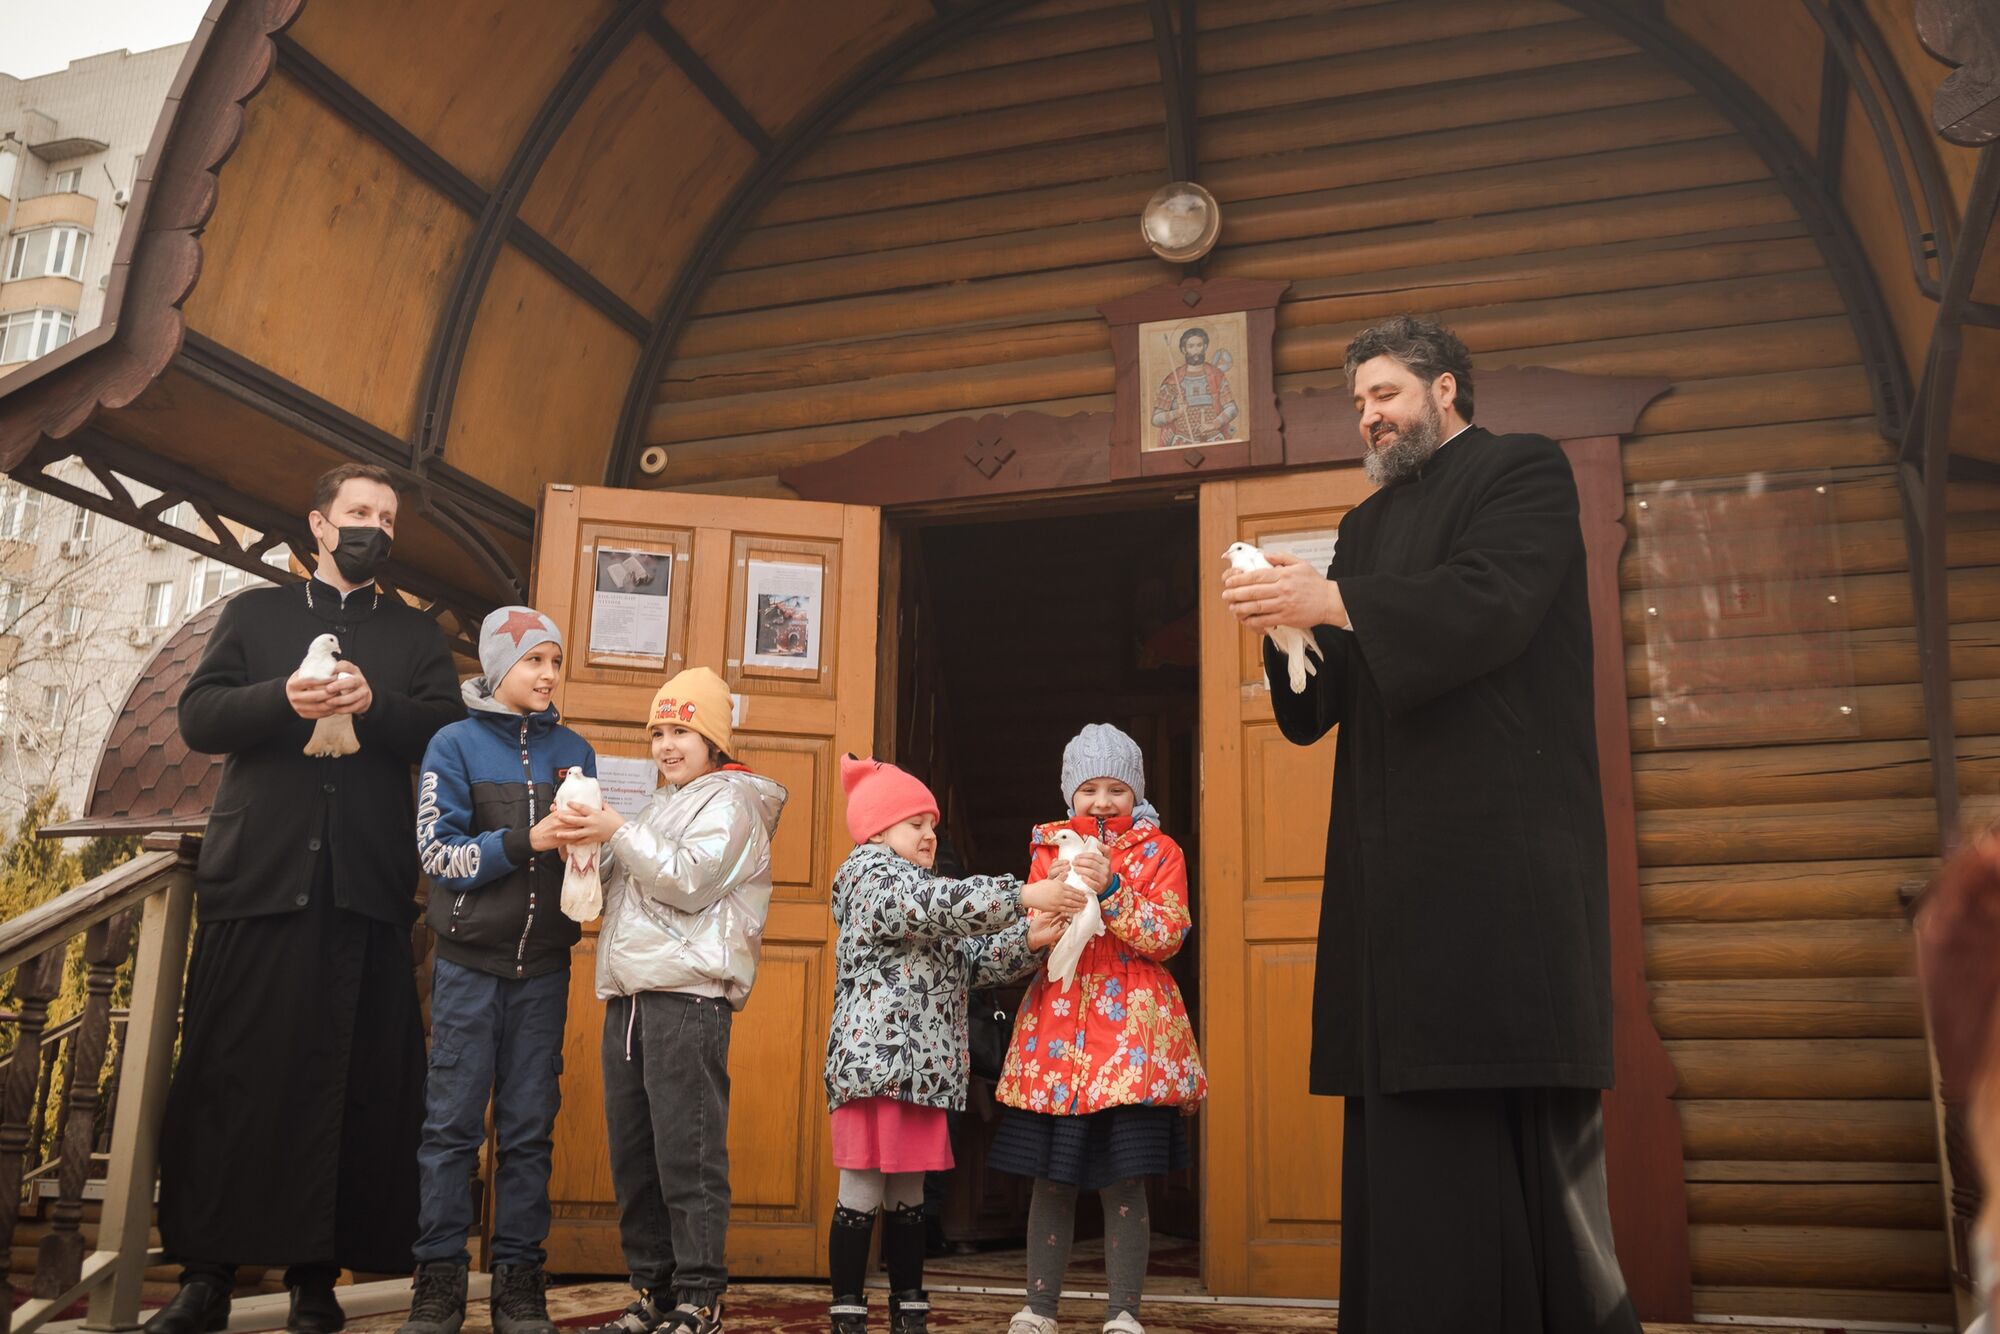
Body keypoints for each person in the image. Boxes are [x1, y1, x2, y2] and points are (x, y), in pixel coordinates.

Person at [1220, 315, 1641, 1332]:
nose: (1368, 416)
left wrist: (1335, 600)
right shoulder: (1363, 527)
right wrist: (1290, 630)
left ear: (1444, 389)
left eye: (1385, 394)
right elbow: (1322, 707)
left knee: (1514, 1136)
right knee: (1406, 1135)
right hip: (1389, 887)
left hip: (1499, 871)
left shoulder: (1520, 471)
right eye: (1358, 402)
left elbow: (1490, 601)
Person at [153, 464, 463, 1334]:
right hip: (258, 879)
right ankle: (206, 1276)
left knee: (346, 1085)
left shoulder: (415, 636)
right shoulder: (254, 616)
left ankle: (315, 1280)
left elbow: (446, 730)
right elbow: (199, 717)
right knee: (232, 1078)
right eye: (359, 512)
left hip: (363, 887)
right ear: (320, 525)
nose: (375, 528)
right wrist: (281, 699)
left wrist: (379, 704)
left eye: (387, 519)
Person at [822, 758, 1100, 1334]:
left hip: (921, 1072)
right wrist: (1023, 894)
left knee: (909, 1195)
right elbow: (938, 905)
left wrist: (1028, 938)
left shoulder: (917, 888)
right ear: (876, 831)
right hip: (876, 1069)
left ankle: (908, 1310)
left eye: (933, 825)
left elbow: (967, 961)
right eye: (914, 824)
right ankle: (848, 1312)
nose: (929, 835)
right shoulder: (871, 878)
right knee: (862, 1189)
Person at [556, 668, 786, 1334]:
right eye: (657, 732)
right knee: (635, 1158)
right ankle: (652, 1290)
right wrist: (585, 843)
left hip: (688, 998)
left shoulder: (734, 803)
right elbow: (618, 885)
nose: (665, 745)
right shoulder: (657, 805)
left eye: (681, 731)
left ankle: (700, 1295)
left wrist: (616, 830)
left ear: (712, 740)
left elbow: (688, 880)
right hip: (630, 997)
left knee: (689, 1154)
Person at [398, 607, 596, 1334]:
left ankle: (519, 1284)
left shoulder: (575, 750)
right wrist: (526, 840)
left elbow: (587, 854)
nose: (548, 675)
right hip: (467, 970)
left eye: (555, 661)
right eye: (534, 660)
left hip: (544, 970)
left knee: (529, 1131)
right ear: (498, 665)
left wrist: (590, 849)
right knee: (451, 1129)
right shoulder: (452, 744)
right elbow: (438, 854)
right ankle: (438, 1284)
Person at [992, 725, 1206, 1334]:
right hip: (1058, 1037)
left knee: (1124, 1181)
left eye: (1117, 789)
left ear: (1137, 793)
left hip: (1130, 1042)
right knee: (1051, 1181)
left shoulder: (1162, 853)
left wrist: (1112, 888)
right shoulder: (1047, 849)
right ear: (1070, 796)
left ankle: (1124, 1313)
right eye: (1089, 790)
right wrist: (1059, 901)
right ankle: (1039, 1309)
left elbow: (1167, 935)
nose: (1103, 802)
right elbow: (1036, 930)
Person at [1150, 326, 1238, 448]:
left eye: (1199, 345)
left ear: (1205, 347)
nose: (1196, 350)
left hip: (1214, 440)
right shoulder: (1173, 380)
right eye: (1191, 346)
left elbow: (1232, 409)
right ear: (1184, 349)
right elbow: (1156, 418)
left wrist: (1214, 424)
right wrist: (1177, 413)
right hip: (1182, 442)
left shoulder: (1216, 376)